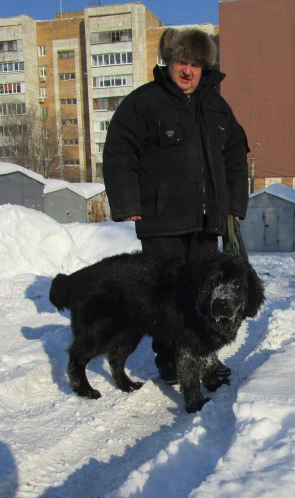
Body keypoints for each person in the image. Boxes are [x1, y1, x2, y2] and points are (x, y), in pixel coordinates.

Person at [102, 27, 250, 384]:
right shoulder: (144, 102)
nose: (187, 70)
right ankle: (170, 361)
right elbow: (119, 151)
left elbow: (234, 157)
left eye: (195, 63)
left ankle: (206, 358)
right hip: (161, 220)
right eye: (181, 61)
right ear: (168, 62)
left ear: (204, 67)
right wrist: (127, 202)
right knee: (167, 298)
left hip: (205, 222)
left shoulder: (218, 107)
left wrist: (234, 206)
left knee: (207, 296)